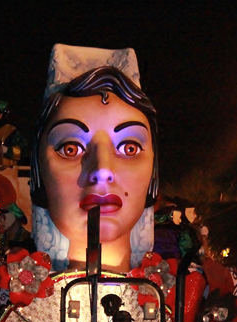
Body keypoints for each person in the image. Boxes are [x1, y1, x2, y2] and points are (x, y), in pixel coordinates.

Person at [30, 44, 158, 272]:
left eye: (129, 148)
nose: (102, 170)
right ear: (38, 173)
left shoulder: (185, 296)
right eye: (71, 148)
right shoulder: (4, 297)